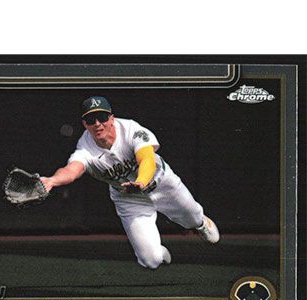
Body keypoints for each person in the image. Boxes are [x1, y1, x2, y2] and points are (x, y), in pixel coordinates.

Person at [40, 96, 219, 269]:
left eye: (102, 117)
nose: (97, 124)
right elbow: (72, 170)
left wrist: (141, 182)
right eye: (91, 120)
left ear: (112, 118)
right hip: (128, 198)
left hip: (161, 183)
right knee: (151, 261)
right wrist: (53, 180)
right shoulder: (85, 148)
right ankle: (158, 253)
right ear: (84, 124)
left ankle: (201, 224)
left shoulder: (131, 130)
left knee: (193, 218)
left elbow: (146, 159)